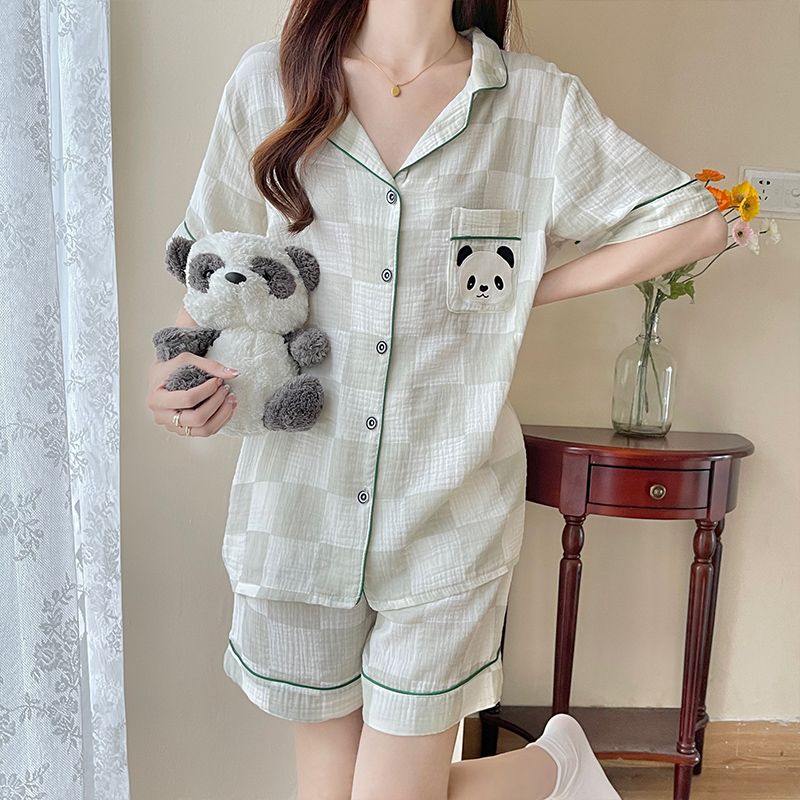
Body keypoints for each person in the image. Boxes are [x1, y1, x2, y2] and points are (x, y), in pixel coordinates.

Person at [146, 1, 728, 798]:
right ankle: (556, 769)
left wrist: (530, 286)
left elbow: (696, 223)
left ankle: (556, 766)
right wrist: (171, 378)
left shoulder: (535, 104)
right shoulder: (271, 82)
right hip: (300, 509)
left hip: (449, 514)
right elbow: (208, 262)